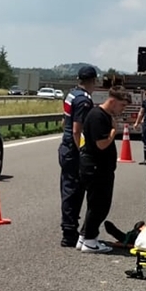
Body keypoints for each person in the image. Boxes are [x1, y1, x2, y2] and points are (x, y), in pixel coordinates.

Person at [78, 88, 131, 253]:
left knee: (96, 204)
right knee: (100, 205)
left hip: (100, 167)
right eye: (122, 105)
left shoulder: (105, 115)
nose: (122, 109)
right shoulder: (98, 116)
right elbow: (101, 144)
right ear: (112, 101)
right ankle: (90, 241)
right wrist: (114, 131)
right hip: (96, 167)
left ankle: (84, 236)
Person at [58, 65, 98, 248]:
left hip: (65, 147)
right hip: (73, 150)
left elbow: (64, 120)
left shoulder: (72, 94)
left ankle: (69, 229)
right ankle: (69, 232)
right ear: (93, 81)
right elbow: (77, 130)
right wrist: (82, 151)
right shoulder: (84, 100)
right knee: (74, 191)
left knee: (68, 188)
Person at [133, 89, 146, 165]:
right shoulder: (145, 102)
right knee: (144, 140)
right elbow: (141, 112)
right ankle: (145, 159)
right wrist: (137, 123)